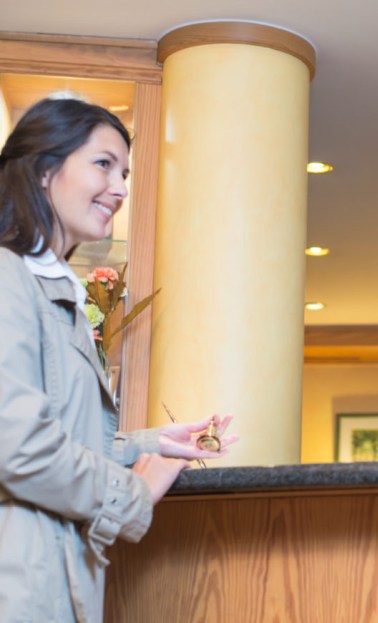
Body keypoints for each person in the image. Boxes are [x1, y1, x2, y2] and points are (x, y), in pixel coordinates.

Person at [0, 96, 236, 622]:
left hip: (51, 577)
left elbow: (61, 430)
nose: (121, 189)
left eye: (125, 172)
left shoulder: (51, 288)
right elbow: (19, 449)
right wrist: (134, 492)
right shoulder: (7, 277)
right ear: (44, 169)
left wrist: (156, 444)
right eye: (103, 164)